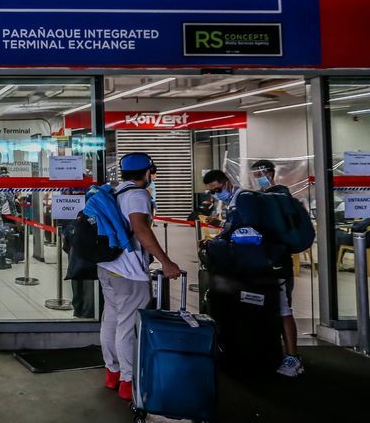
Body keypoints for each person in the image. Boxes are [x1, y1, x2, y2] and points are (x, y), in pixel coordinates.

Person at [204, 165, 304, 377]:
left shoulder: (245, 198)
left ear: (227, 182)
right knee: (270, 306)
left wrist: (221, 240)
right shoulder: (237, 200)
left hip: (272, 262)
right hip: (258, 263)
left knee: (283, 308)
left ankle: (293, 357)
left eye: (217, 189)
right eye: (212, 192)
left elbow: (250, 230)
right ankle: (270, 352)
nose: (216, 194)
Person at [99, 153, 181, 402]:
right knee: (127, 325)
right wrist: (166, 262)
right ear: (148, 173)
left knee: (111, 320)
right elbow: (141, 229)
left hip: (108, 266)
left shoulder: (115, 192)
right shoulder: (138, 195)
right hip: (129, 272)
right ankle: (127, 380)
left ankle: (111, 373)